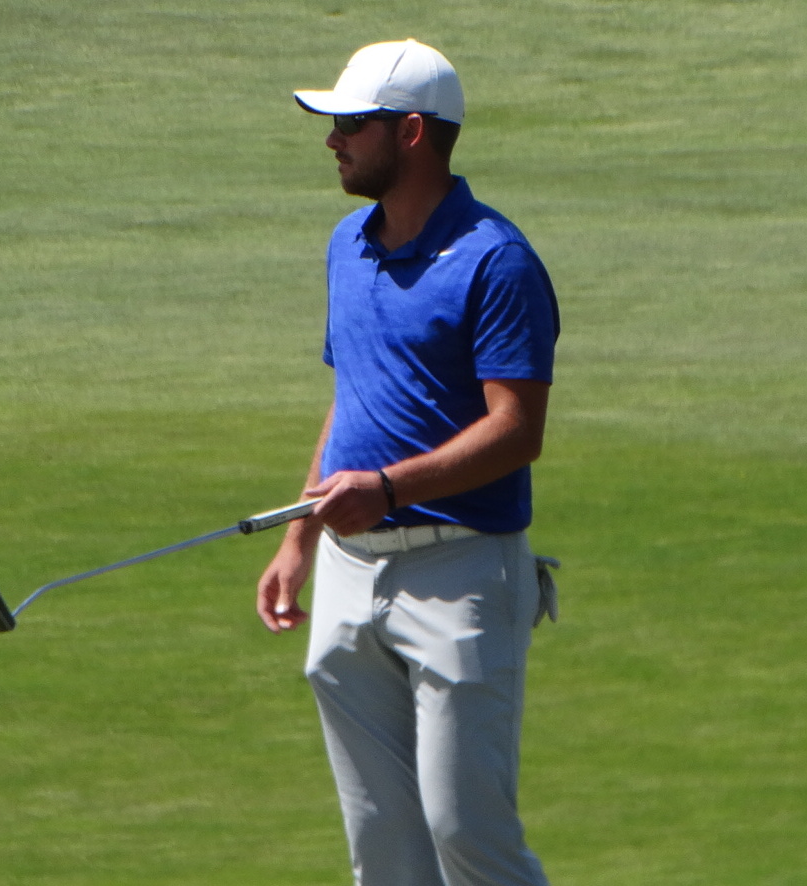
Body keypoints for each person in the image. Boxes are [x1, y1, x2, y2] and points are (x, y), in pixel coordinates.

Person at [256, 38, 560, 886]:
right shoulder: (346, 244)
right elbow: (353, 399)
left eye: (352, 124)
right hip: (350, 577)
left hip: (460, 577)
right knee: (383, 853)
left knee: (469, 836)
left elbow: (517, 429)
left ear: (414, 133)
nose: (333, 141)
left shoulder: (497, 261)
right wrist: (299, 542)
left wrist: (388, 488)